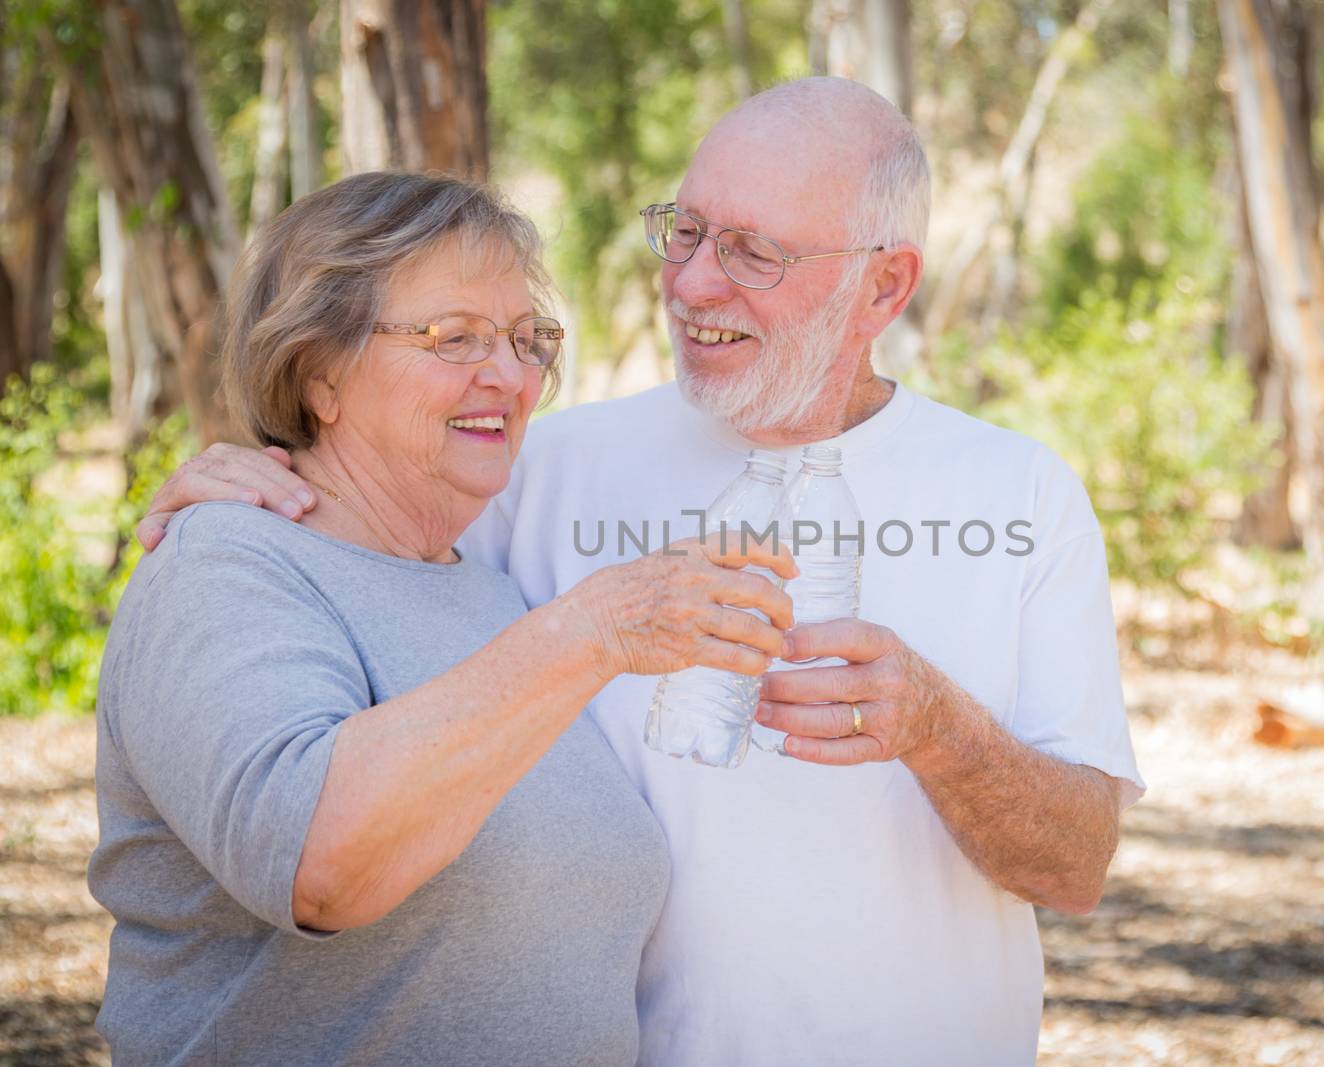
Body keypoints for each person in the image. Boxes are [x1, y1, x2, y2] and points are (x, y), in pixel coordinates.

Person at [140, 78, 1145, 1065]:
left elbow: (1073, 865)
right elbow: (361, 530)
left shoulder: (1017, 492)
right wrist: (249, 472)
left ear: (882, 284)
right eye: (687, 231)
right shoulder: (533, 467)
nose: (693, 282)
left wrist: (939, 727)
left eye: (751, 252)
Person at [91, 170, 798, 1067]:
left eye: (526, 338)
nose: (508, 376)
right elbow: (326, 866)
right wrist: (595, 630)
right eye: (453, 337)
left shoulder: (487, 582)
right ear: (318, 372)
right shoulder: (228, 566)